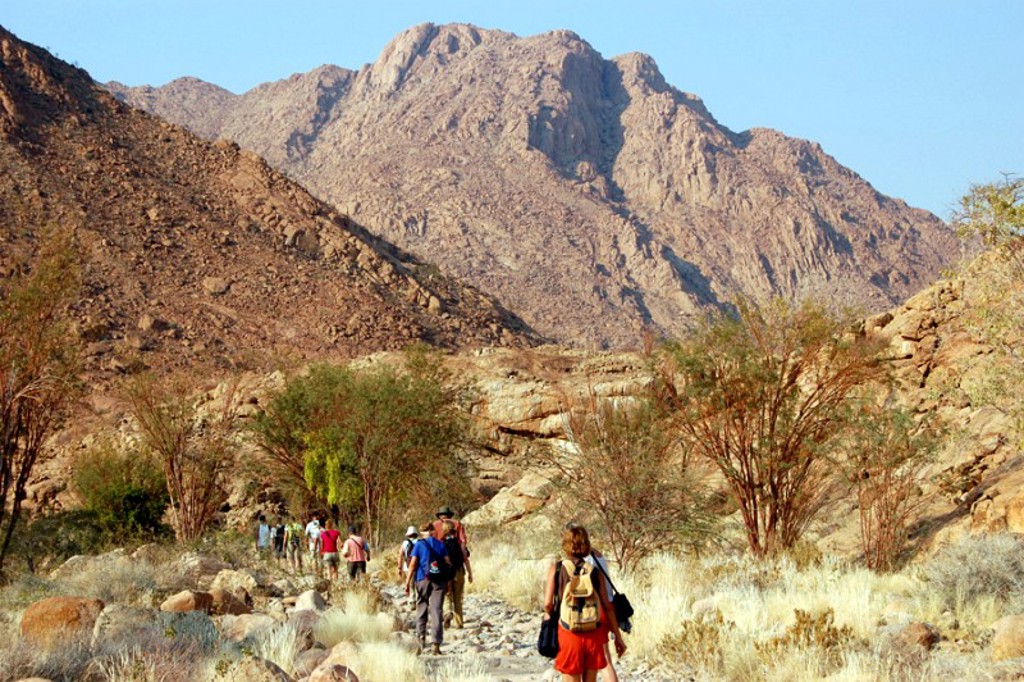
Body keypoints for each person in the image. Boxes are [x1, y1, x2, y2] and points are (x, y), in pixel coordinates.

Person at [543, 525, 627, 682]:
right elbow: (607, 607)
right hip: (593, 633)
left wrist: (549, 616)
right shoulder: (594, 572)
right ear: (586, 544)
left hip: (569, 632)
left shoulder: (557, 569)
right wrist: (617, 635)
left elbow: (548, 603)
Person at [405, 521, 451, 655]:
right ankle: (436, 645)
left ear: (422, 532)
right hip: (439, 581)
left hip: (422, 579)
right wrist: (447, 580)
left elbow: (413, 564)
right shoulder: (440, 544)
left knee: (422, 608)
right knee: (436, 611)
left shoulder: (419, 545)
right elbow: (447, 562)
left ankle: (421, 640)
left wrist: (408, 582)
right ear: (432, 530)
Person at [433, 506, 472, 628]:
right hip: (459, 569)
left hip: (444, 570)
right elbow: (463, 546)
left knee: (446, 594)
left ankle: (447, 613)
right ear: (450, 515)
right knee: (458, 597)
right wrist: (470, 572)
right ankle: (459, 623)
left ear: (440, 515)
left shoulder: (435, 526)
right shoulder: (458, 524)